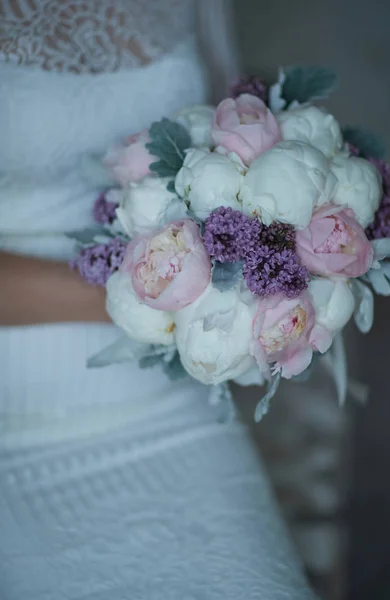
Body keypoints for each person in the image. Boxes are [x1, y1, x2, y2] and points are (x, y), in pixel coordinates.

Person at [0, 1, 314, 598]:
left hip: (173, 401)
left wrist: (283, 234)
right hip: (16, 415)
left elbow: (226, 129)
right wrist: (160, 297)